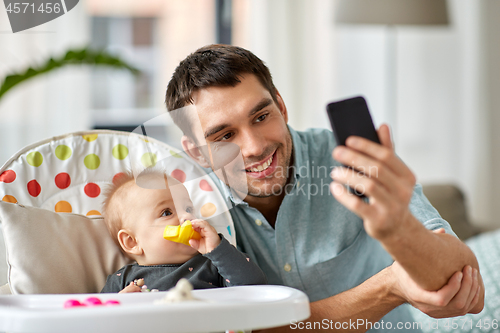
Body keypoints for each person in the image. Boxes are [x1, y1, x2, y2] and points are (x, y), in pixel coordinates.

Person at [164, 44, 485, 332]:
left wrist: (399, 231)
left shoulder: (353, 157)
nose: (253, 147)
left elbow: (464, 286)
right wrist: (390, 287)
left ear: (281, 107)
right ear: (194, 151)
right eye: (224, 136)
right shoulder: (188, 209)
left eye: (261, 116)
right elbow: (243, 329)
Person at [100, 170, 267, 293]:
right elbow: (96, 321)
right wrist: (119, 306)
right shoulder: (122, 281)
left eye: (188, 208)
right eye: (167, 212)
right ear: (132, 242)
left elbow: (254, 289)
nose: (187, 216)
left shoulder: (212, 265)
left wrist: (218, 249)